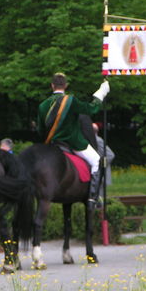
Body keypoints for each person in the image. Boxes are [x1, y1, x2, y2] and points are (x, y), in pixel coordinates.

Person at [37, 72, 110, 208]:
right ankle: (92, 198)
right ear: (66, 86)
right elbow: (91, 109)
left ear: (52, 86)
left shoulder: (42, 106)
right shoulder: (71, 101)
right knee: (96, 161)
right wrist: (101, 93)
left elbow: (41, 131)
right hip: (74, 143)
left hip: (52, 145)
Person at [92, 122, 115, 199]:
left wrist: (100, 165)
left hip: (101, 173)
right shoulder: (94, 140)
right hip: (98, 174)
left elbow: (110, 155)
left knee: (99, 198)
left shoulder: (97, 141)